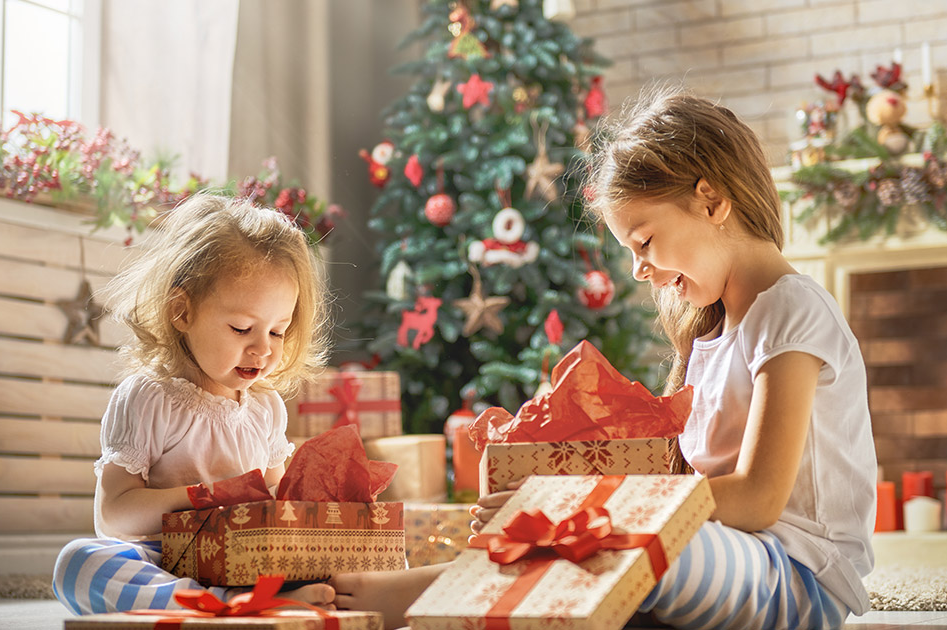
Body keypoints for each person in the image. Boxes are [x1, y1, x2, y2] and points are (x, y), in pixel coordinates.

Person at [332, 87, 876, 630]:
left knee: (611, 532)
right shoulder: (714, 334)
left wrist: (573, 505)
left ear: (711, 202)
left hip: (797, 574)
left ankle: (425, 593)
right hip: (723, 553)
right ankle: (459, 590)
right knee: (593, 534)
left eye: (644, 242)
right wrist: (544, 507)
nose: (639, 270)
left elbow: (758, 500)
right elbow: (681, 484)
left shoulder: (792, 308)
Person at [52, 193, 334, 615]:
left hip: (244, 559)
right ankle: (228, 607)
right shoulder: (150, 398)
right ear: (181, 312)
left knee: (352, 559)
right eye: (242, 328)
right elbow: (112, 517)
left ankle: (258, 600)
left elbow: (280, 499)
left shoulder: (266, 407)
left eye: (278, 332)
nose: (263, 349)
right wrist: (206, 497)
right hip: (166, 560)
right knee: (79, 564)